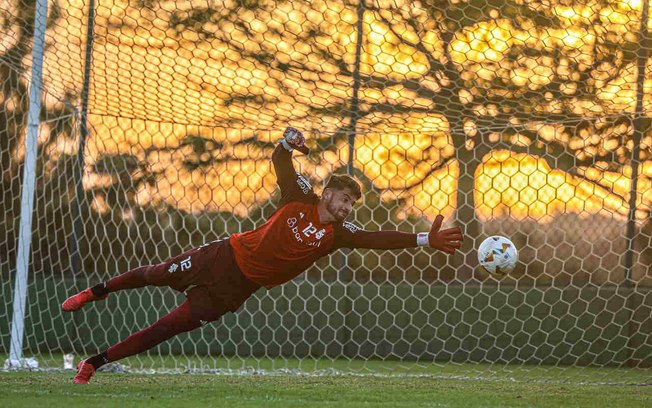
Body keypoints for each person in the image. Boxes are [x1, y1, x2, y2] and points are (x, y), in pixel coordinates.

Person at [63, 127, 464, 384]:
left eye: (351, 205)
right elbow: (281, 162)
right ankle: (94, 292)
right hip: (222, 255)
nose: (346, 209)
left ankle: (94, 363)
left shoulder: (337, 234)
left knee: (167, 327)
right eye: (344, 200)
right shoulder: (299, 197)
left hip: (236, 289)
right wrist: (286, 143)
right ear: (327, 194)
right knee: (154, 273)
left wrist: (424, 240)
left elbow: (377, 238)